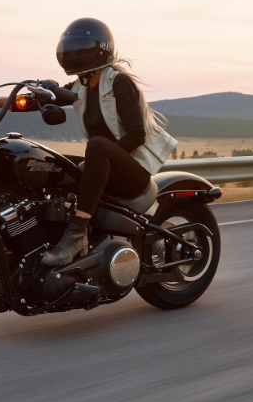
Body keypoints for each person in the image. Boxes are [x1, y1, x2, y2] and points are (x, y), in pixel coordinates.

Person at [41, 18, 178, 266]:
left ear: (99, 49)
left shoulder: (118, 82)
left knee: (97, 145)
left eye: (79, 48)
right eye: (70, 48)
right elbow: (36, 101)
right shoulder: (81, 85)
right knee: (52, 163)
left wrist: (106, 157)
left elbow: (137, 135)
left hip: (133, 173)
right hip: (110, 164)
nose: (72, 54)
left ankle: (76, 234)